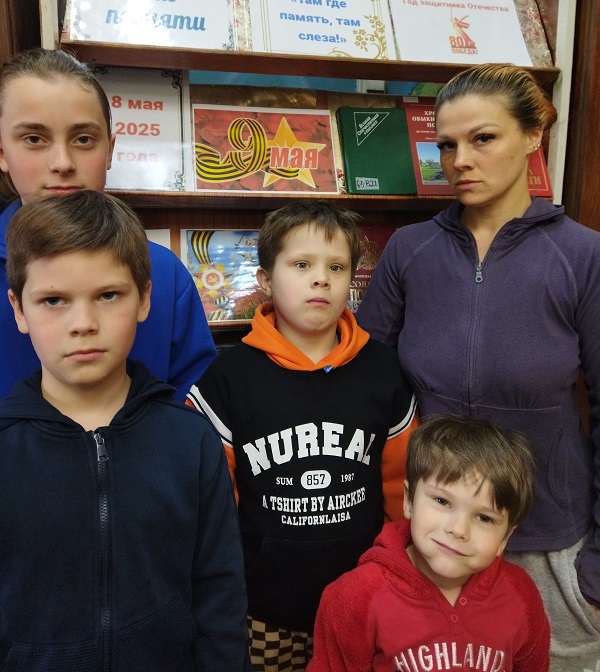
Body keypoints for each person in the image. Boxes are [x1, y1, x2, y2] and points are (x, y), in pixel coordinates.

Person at [357, 63, 600, 671]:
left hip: (548, 546)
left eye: (483, 138)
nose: (460, 160)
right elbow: (361, 388)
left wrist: (597, 569)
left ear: (533, 136)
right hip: (430, 537)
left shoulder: (582, 256)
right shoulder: (410, 251)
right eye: (446, 145)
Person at [0, 189, 250, 671]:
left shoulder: (192, 442)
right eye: (53, 300)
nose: (83, 324)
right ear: (19, 309)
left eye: (108, 295)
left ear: (144, 298)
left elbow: (220, 593)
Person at [187, 199, 417, 672]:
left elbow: (401, 485)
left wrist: (402, 569)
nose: (321, 279)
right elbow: (212, 502)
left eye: (336, 267)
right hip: (263, 605)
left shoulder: (383, 369)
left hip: (365, 593)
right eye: (301, 265)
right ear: (265, 279)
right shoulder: (228, 377)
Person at [0, 47, 216, 401]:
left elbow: (198, 407)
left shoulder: (164, 274)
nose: (62, 162)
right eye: (34, 139)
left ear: (110, 150)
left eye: (83, 139)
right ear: (2, 152)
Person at [307, 414, 550, 672]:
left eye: (484, 518)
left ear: (505, 538)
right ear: (409, 500)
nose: (458, 529)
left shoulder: (522, 595)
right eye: (442, 501)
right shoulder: (354, 597)